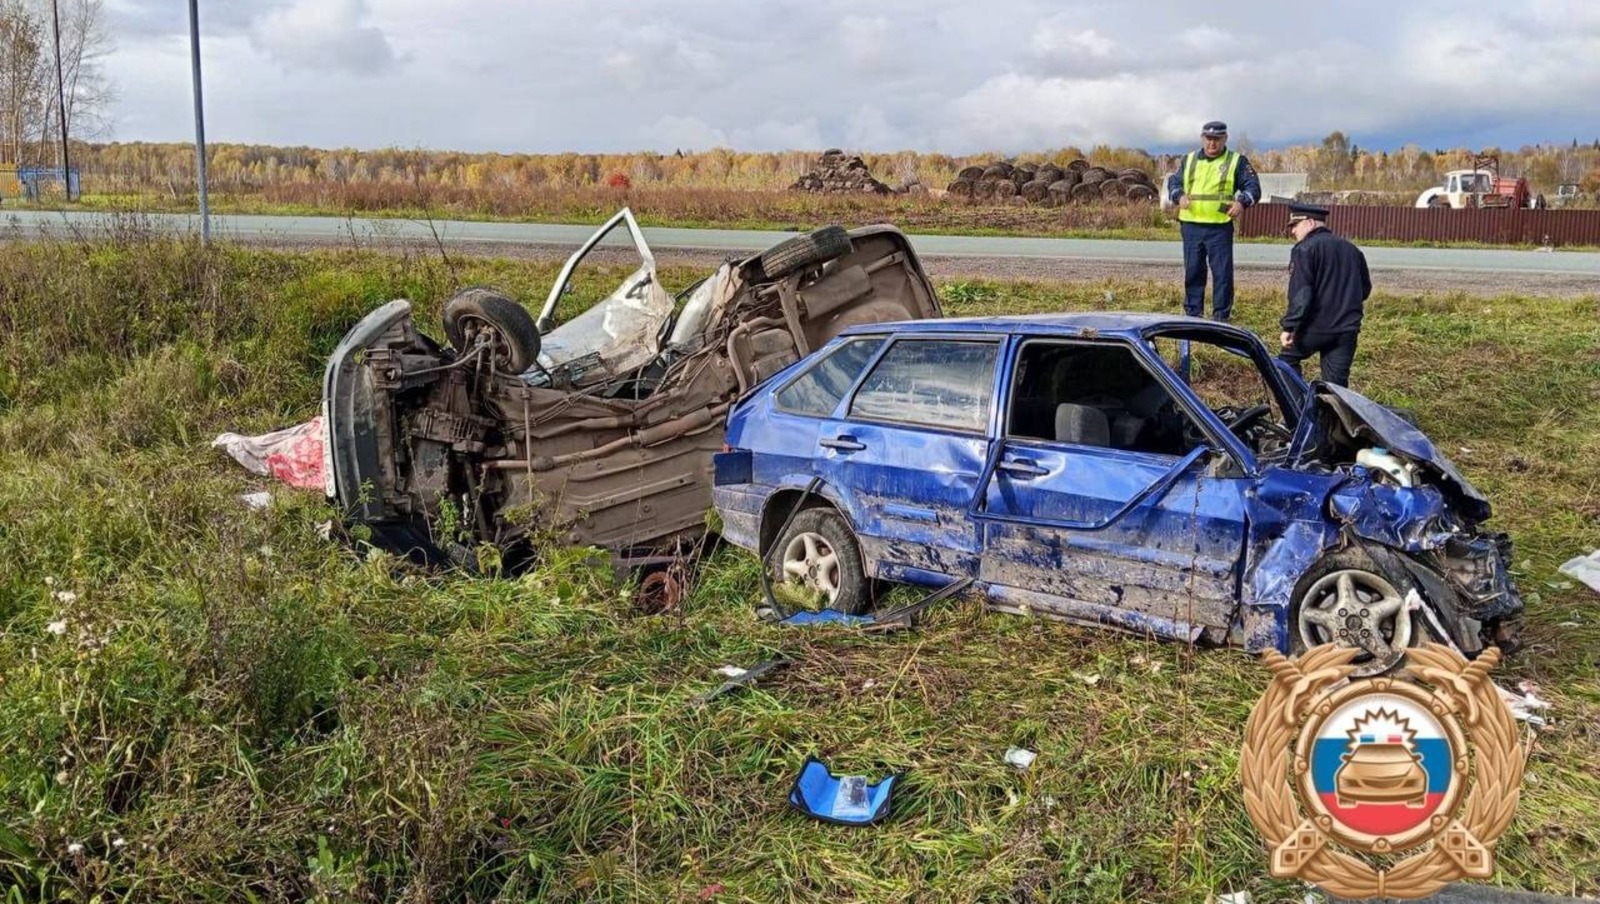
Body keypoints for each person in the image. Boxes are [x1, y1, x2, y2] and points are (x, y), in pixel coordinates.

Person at [1166, 121, 1261, 321]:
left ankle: (1221, 317)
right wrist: (1178, 195)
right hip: (1191, 225)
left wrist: (1242, 202)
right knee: (1193, 271)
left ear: (1225, 139)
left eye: (1217, 139)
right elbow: (1174, 181)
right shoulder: (1189, 159)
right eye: (1208, 139)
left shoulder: (1237, 161)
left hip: (1219, 227)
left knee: (1222, 274)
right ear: (1202, 139)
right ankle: (1193, 315)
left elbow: (1253, 186)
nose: (1212, 144)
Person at [1278, 203, 1371, 387]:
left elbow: (1301, 294)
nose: (1292, 231)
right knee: (1336, 388)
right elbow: (1365, 289)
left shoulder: (1304, 249)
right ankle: (1330, 415)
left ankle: (1299, 410)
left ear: (1310, 222)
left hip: (1316, 328)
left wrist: (1289, 327)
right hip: (1347, 329)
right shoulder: (1352, 249)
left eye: (1295, 225)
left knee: (1284, 364)